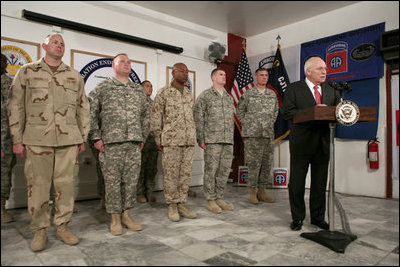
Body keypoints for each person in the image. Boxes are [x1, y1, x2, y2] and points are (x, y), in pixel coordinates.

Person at [7, 33, 90, 252]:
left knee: (66, 186)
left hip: (68, 139)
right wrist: (17, 138)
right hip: (36, 139)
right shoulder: (27, 72)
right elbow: (16, 106)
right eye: (55, 42)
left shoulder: (74, 75)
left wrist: (83, 135)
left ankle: (63, 226)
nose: (59, 46)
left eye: (62, 44)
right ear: (44, 45)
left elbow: (84, 108)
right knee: (38, 186)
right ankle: (40, 231)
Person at [89, 53, 149, 235]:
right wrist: (96, 138)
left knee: (131, 182)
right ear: (113, 65)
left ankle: (127, 215)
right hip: (111, 143)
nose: (126, 64)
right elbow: (91, 113)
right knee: (113, 182)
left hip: (133, 143)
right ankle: (115, 217)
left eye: (129, 61)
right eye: (122, 61)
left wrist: (142, 137)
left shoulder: (138, 90)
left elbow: (145, 116)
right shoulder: (103, 87)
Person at [282, 56, 341, 231]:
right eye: (320, 69)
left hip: (323, 143)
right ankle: (298, 217)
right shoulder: (294, 89)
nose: (325, 72)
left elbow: (338, 111)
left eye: (325, 69)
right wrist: (313, 112)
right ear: (308, 71)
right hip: (302, 143)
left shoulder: (331, 90)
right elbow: (287, 113)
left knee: (319, 183)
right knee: (297, 183)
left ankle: (317, 218)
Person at [151, 62, 197, 222]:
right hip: (171, 140)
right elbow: (156, 116)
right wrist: (158, 137)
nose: (186, 74)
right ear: (173, 73)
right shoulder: (164, 92)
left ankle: (181, 203)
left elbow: (191, 116)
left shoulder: (187, 93)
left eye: (187, 71)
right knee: (171, 174)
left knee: (185, 174)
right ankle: (171, 204)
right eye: (182, 71)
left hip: (188, 140)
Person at [194, 68, 235, 214]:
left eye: (225, 74)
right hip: (212, 140)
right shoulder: (205, 96)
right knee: (211, 171)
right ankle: (210, 199)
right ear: (213, 77)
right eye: (221, 74)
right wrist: (201, 138)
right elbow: (199, 118)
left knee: (224, 170)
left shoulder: (229, 97)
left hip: (227, 139)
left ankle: (219, 196)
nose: (224, 76)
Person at [237, 68, 279, 204]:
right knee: (254, 163)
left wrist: (269, 123)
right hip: (253, 134)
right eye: (261, 75)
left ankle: (262, 191)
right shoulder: (248, 94)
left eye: (266, 75)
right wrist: (248, 124)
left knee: (266, 163)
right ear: (256, 77)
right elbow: (240, 111)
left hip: (267, 133)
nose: (264, 77)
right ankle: (252, 191)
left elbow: (275, 111)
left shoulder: (272, 94)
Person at [137, 80, 158, 203]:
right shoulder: (138, 103)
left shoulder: (154, 104)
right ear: (141, 88)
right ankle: (140, 192)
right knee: (140, 167)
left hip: (153, 140)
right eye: (147, 86)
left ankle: (149, 191)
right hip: (141, 140)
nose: (149, 88)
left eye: (151, 86)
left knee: (151, 167)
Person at [1, 53, 16, 223]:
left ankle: (1, 209)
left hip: (5, 138)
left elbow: (12, 112)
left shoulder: (7, 83)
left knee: (3, 174)